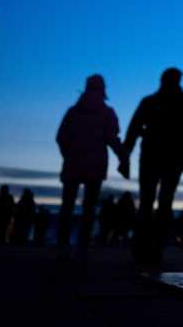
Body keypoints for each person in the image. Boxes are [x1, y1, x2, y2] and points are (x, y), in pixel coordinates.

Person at [124, 67, 183, 265]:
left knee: (149, 201)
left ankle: (144, 247)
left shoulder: (151, 102)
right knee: (163, 202)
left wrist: (125, 156)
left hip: (153, 157)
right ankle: (155, 248)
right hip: (172, 159)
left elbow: (133, 130)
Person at [55, 73, 127, 259]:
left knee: (67, 206)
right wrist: (123, 157)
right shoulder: (107, 112)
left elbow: (61, 137)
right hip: (96, 166)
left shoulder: (73, 112)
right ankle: (82, 246)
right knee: (89, 207)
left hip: (72, 164)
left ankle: (62, 245)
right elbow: (113, 139)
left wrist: (68, 155)